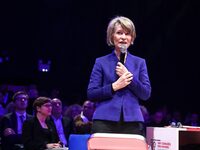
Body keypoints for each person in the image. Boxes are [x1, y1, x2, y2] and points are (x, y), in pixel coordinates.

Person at [87, 16, 151, 136]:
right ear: (112, 36)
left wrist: (128, 78)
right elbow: (91, 93)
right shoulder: (101, 62)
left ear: (132, 38)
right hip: (104, 121)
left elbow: (145, 94)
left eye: (127, 34)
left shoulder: (140, 62)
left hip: (132, 122)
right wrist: (114, 86)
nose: (123, 37)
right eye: (119, 33)